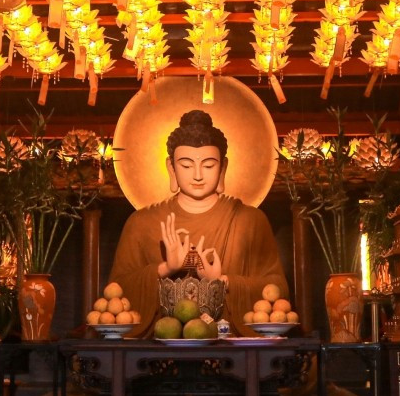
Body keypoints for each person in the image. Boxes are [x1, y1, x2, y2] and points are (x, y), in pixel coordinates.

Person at [108, 109, 289, 336]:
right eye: (185, 165)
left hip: (230, 340)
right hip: (161, 340)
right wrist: (166, 268)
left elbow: (278, 290)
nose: (197, 175)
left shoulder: (249, 221)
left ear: (223, 167)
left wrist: (222, 280)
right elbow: (116, 291)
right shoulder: (142, 223)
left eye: (208, 165)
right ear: (171, 167)